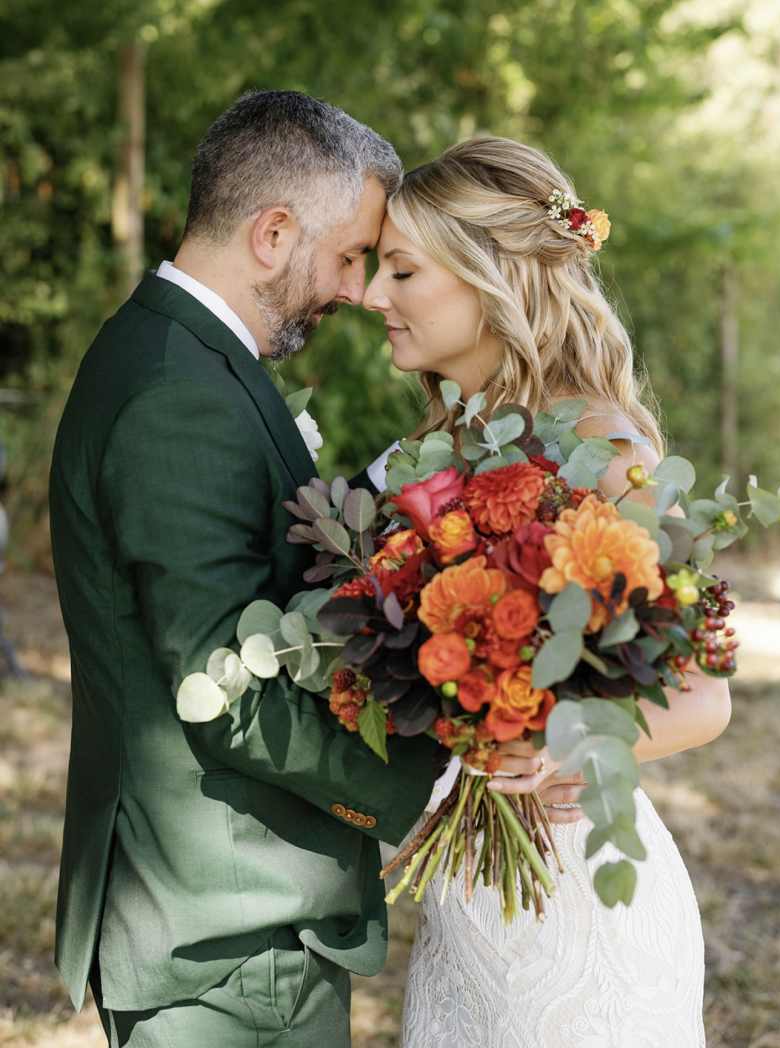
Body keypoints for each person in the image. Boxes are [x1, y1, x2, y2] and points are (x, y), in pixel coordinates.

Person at [49, 92, 547, 1048]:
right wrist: (437, 782)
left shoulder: (178, 356)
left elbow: (267, 571)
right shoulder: (177, 394)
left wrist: (413, 496)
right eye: (352, 256)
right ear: (273, 233)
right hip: (228, 934)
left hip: (222, 920)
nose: (359, 291)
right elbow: (224, 689)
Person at [363, 135, 732, 1047]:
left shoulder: (609, 454)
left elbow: (705, 698)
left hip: (580, 906)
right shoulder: (435, 451)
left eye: (402, 271)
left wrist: (572, 742)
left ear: (492, 277)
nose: (373, 296)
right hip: (464, 922)